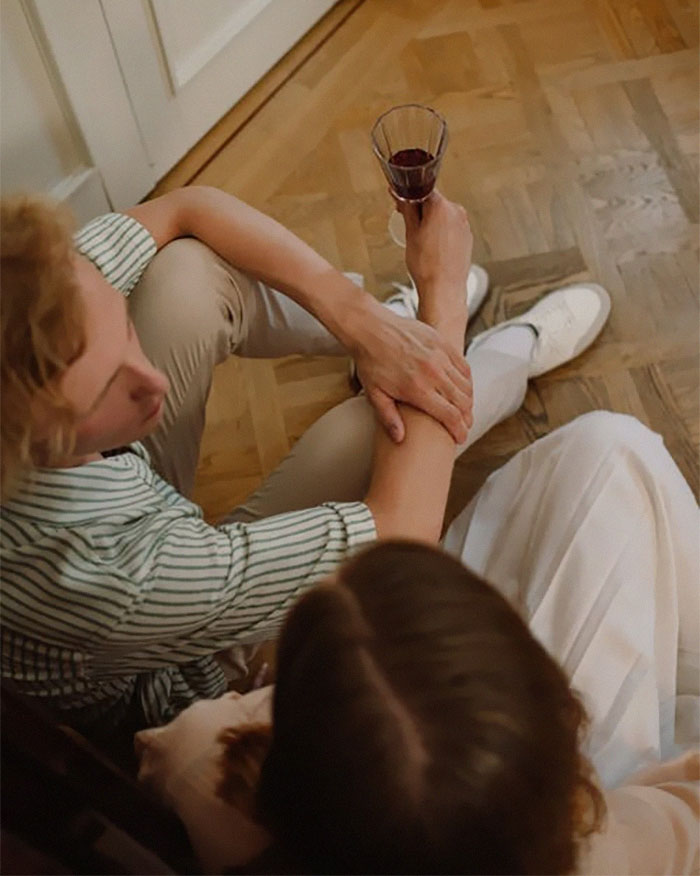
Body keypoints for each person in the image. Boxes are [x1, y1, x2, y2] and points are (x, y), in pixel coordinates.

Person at [0, 184, 610, 738]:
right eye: (109, 386)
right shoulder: (97, 575)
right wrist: (442, 299)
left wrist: (360, 318)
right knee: (375, 428)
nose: (152, 379)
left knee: (184, 275)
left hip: (119, 496)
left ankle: (388, 334)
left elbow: (188, 208)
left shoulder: (32, 292)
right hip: (181, 667)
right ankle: (511, 353)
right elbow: (402, 528)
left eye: (124, 331)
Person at [136, 412, 699, 875]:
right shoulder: (614, 856)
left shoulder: (201, 762)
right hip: (621, 804)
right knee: (612, 449)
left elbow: (186, 748)